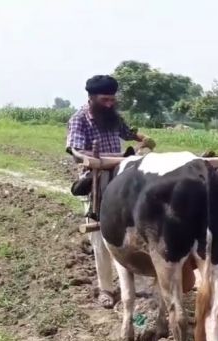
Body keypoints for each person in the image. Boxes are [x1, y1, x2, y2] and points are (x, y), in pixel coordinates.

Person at [66, 74, 155, 308]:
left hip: (121, 176)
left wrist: (142, 138)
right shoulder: (79, 119)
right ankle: (106, 288)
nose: (110, 104)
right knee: (101, 237)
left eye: (112, 99)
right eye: (105, 99)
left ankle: (143, 279)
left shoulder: (112, 117)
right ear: (92, 98)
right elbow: (75, 150)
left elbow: (126, 132)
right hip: (96, 178)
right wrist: (103, 158)